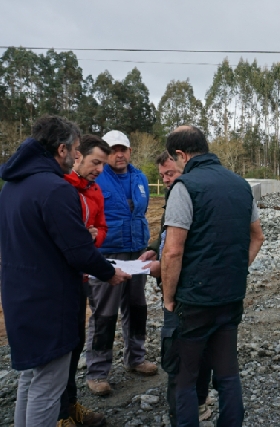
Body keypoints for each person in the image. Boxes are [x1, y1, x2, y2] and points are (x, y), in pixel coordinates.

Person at [0, 116, 129, 427]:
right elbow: (78, 250)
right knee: (47, 387)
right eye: (74, 150)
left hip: (20, 296)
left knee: (31, 379)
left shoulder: (12, 186)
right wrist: (109, 272)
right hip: (50, 301)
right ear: (61, 150)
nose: (76, 157)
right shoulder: (55, 189)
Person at [161, 125, 265, 426]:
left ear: (181, 155)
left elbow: (172, 252)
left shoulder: (186, 187)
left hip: (194, 301)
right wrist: (235, 271)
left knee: (185, 378)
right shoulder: (240, 185)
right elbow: (257, 237)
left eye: (175, 161)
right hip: (231, 296)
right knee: (228, 373)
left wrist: (169, 299)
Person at [139, 151, 213, 425]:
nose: (167, 180)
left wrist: (164, 274)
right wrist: (151, 250)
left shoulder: (191, 192)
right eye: (162, 176)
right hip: (177, 282)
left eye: (171, 174)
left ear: (185, 164)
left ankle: (184, 410)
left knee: (179, 354)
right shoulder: (174, 194)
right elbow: (165, 234)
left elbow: (179, 250)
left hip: (184, 290)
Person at [85, 130, 156, 396]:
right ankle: (97, 372)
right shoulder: (97, 178)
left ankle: (135, 358)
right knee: (104, 314)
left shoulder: (139, 178)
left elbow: (142, 211)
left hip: (137, 254)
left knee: (137, 308)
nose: (119, 154)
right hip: (106, 255)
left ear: (129, 150)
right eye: (113, 150)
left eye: (123, 149)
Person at [58, 135, 112, 426]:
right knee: (58, 347)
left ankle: (69, 404)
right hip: (56, 277)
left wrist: (93, 236)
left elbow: (101, 228)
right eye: (96, 162)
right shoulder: (59, 186)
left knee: (76, 341)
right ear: (77, 156)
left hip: (79, 275)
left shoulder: (94, 191)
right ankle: (57, 415)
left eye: (102, 165)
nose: (100, 170)